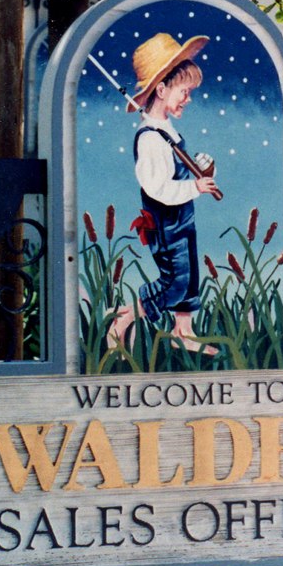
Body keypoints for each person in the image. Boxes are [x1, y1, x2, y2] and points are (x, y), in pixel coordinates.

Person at [107, 32, 219, 354]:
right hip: (166, 222)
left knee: (189, 277)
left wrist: (200, 170)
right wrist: (194, 187)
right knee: (174, 282)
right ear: (161, 90)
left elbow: (176, 172)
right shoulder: (150, 138)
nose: (188, 99)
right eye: (184, 92)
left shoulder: (168, 131)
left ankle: (184, 332)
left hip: (182, 219)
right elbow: (156, 187)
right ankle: (125, 318)